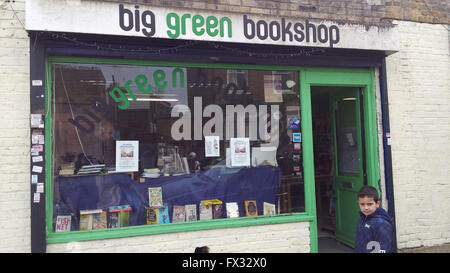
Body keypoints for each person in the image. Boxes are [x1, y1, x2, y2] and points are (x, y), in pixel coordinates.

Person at [354, 185, 395, 253]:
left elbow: (385, 248)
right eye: (362, 204)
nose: (366, 207)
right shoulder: (361, 220)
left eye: (369, 204)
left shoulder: (381, 223)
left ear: (377, 204)